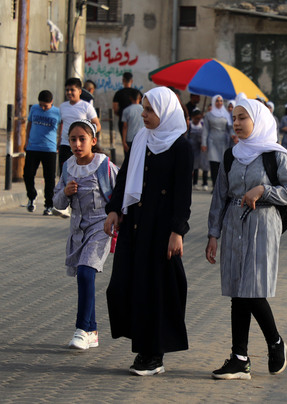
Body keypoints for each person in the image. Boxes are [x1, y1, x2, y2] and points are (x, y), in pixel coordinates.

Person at [206, 98, 287, 380]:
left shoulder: (276, 155)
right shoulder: (231, 155)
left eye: (242, 118)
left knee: (253, 290)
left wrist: (263, 189)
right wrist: (213, 234)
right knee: (238, 292)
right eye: (234, 118)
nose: (235, 123)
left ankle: (275, 342)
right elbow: (219, 196)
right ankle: (239, 358)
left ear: (257, 120)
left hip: (263, 225)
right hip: (234, 224)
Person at [103, 87, 193, 376]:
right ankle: (144, 347)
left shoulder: (180, 146)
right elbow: (125, 177)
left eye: (150, 110)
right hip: (136, 224)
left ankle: (154, 354)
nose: (143, 115)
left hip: (161, 229)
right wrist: (115, 209)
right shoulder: (142, 139)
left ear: (165, 112)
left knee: (157, 289)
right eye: (143, 109)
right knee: (126, 285)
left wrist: (177, 231)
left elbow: (183, 194)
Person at [53, 119, 118, 350]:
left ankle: (81, 329)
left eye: (82, 139)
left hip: (101, 227)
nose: (78, 144)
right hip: (78, 230)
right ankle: (92, 330)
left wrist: (118, 218)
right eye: (73, 139)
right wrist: (66, 191)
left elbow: (120, 194)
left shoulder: (104, 165)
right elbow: (57, 201)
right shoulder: (67, 166)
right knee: (83, 274)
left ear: (93, 141)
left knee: (86, 272)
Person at [23, 90, 61, 215]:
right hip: (33, 147)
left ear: (52, 103)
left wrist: (59, 141)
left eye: (46, 106)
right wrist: (26, 140)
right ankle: (32, 196)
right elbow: (29, 124)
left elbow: (62, 127)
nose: (43, 108)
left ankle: (48, 205)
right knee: (28, 174)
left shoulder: (58, 112)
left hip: (49, 148)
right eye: (41, 105)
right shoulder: (34, 109)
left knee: (49, 178)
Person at [58, 78, 102, 175]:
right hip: (65, 145)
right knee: (65, 173)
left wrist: (88, 136)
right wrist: (58, 141)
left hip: (81, 146)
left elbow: (97, 125)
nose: (69, 92)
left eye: (72, 90)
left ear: (80, 91)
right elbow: (60, 124)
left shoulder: (86, 106)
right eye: (67, 90)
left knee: (81, 173)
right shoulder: (62, 107)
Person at [201, 94, 232, 188]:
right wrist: (204, 143)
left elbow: (230, 128)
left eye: (221, 101)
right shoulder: (209, 115)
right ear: (214, 102)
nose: (219, 103)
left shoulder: (226, 114)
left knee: (222, 165)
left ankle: (221, 186)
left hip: (223, 141)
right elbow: (205, 129)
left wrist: (233, 135)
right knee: (213, 164)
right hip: (212, 140)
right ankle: (215, 185)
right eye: (217, 101)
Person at [188, 108, 209, 191]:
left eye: (199, 118)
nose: (197, 120)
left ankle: (205, 182)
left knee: (203, 165)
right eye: (196, 118)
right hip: (191, 147)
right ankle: (194, 182)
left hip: (200, 147)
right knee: (194, 166)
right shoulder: (189, 124)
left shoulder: (202, 124)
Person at [112, 72, 137, 142]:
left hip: (123, 121)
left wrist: (121, 114)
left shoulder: (118, 94)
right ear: (131, 81)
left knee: (125, 142)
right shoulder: (136, 93)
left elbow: (115, 109)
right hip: (135, 121)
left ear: (123, 80)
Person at [121, 89, 143, 159]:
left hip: (130, 139)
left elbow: (125, 127)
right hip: (142, 138)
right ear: (140, 98)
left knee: (130, 160)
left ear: (130, 98)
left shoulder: (126, 110)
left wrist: (124, 142)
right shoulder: (144, 110)